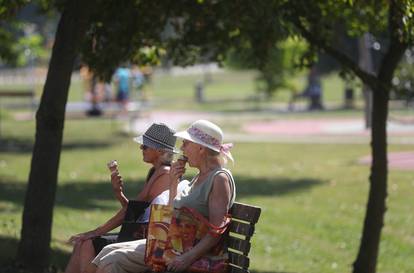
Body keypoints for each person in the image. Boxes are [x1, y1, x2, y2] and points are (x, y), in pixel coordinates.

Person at [86, 119, 236, 273]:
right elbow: (172, 214)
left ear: (200, 148)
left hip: (188, 253)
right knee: (106, 252)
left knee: (112, 259)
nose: (181, 148)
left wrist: (187, 258)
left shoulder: (219, 179)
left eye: (186, 143)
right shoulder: (198, 177)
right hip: (173, 244)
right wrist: (173, 183)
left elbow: (217, 230)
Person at [64, 123, 178, 273]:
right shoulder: (156, 171)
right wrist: (119, 194)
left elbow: (131, 214)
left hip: (147, 239)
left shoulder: (164, 174)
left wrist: (96, 232)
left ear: (159, 150)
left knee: (87, 243)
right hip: (141, 233)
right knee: (83, 243)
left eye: (145, 146)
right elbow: (137, 211)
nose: (141, 149)